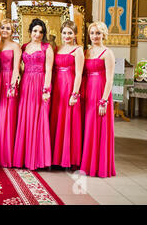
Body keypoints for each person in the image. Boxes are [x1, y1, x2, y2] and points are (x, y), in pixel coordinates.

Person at [13, 18, 54, 170]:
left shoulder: (47, 48)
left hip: (40, 84)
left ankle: (38, 159)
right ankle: (24, 157)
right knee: (26, 117)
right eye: (35, 31)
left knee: (39, 118)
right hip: (26, 84)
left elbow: (49, 69)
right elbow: (20, 68)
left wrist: (46, 90)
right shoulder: (24, 47)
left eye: (41, 32)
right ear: (30, 31)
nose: (37, 34)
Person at [80, 21, 116, 178]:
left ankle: (98, 166)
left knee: (99, 128)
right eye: (92, 33)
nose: (95, 36)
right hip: (88, 92)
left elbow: (110, 80)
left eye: (98, 33)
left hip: (100, 92)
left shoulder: (108, 53)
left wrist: (104, 101)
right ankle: (87, 163)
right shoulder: (86, 52)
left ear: (103, 34)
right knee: (88, 128)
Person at [49, 20, 84, 169]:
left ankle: (68, 158)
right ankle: (55, 158)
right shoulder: (56, 49)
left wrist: (74, 94)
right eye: (64, 32)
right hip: (57, 87)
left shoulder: (78, 50)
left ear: (75, 34)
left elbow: (79, 74)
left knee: (69, 120)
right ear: (61, 33)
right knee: (56, 119)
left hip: (70, 85)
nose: (67, 35)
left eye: (70, 33)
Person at [0, 19, 21, 167]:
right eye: (2, 28)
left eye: (8, 28)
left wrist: (13, 85)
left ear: (12, 31)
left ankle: (7, 155)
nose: (5, 31)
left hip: (9, 81)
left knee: (7, 117)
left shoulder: (15, 46)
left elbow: (16, 68)